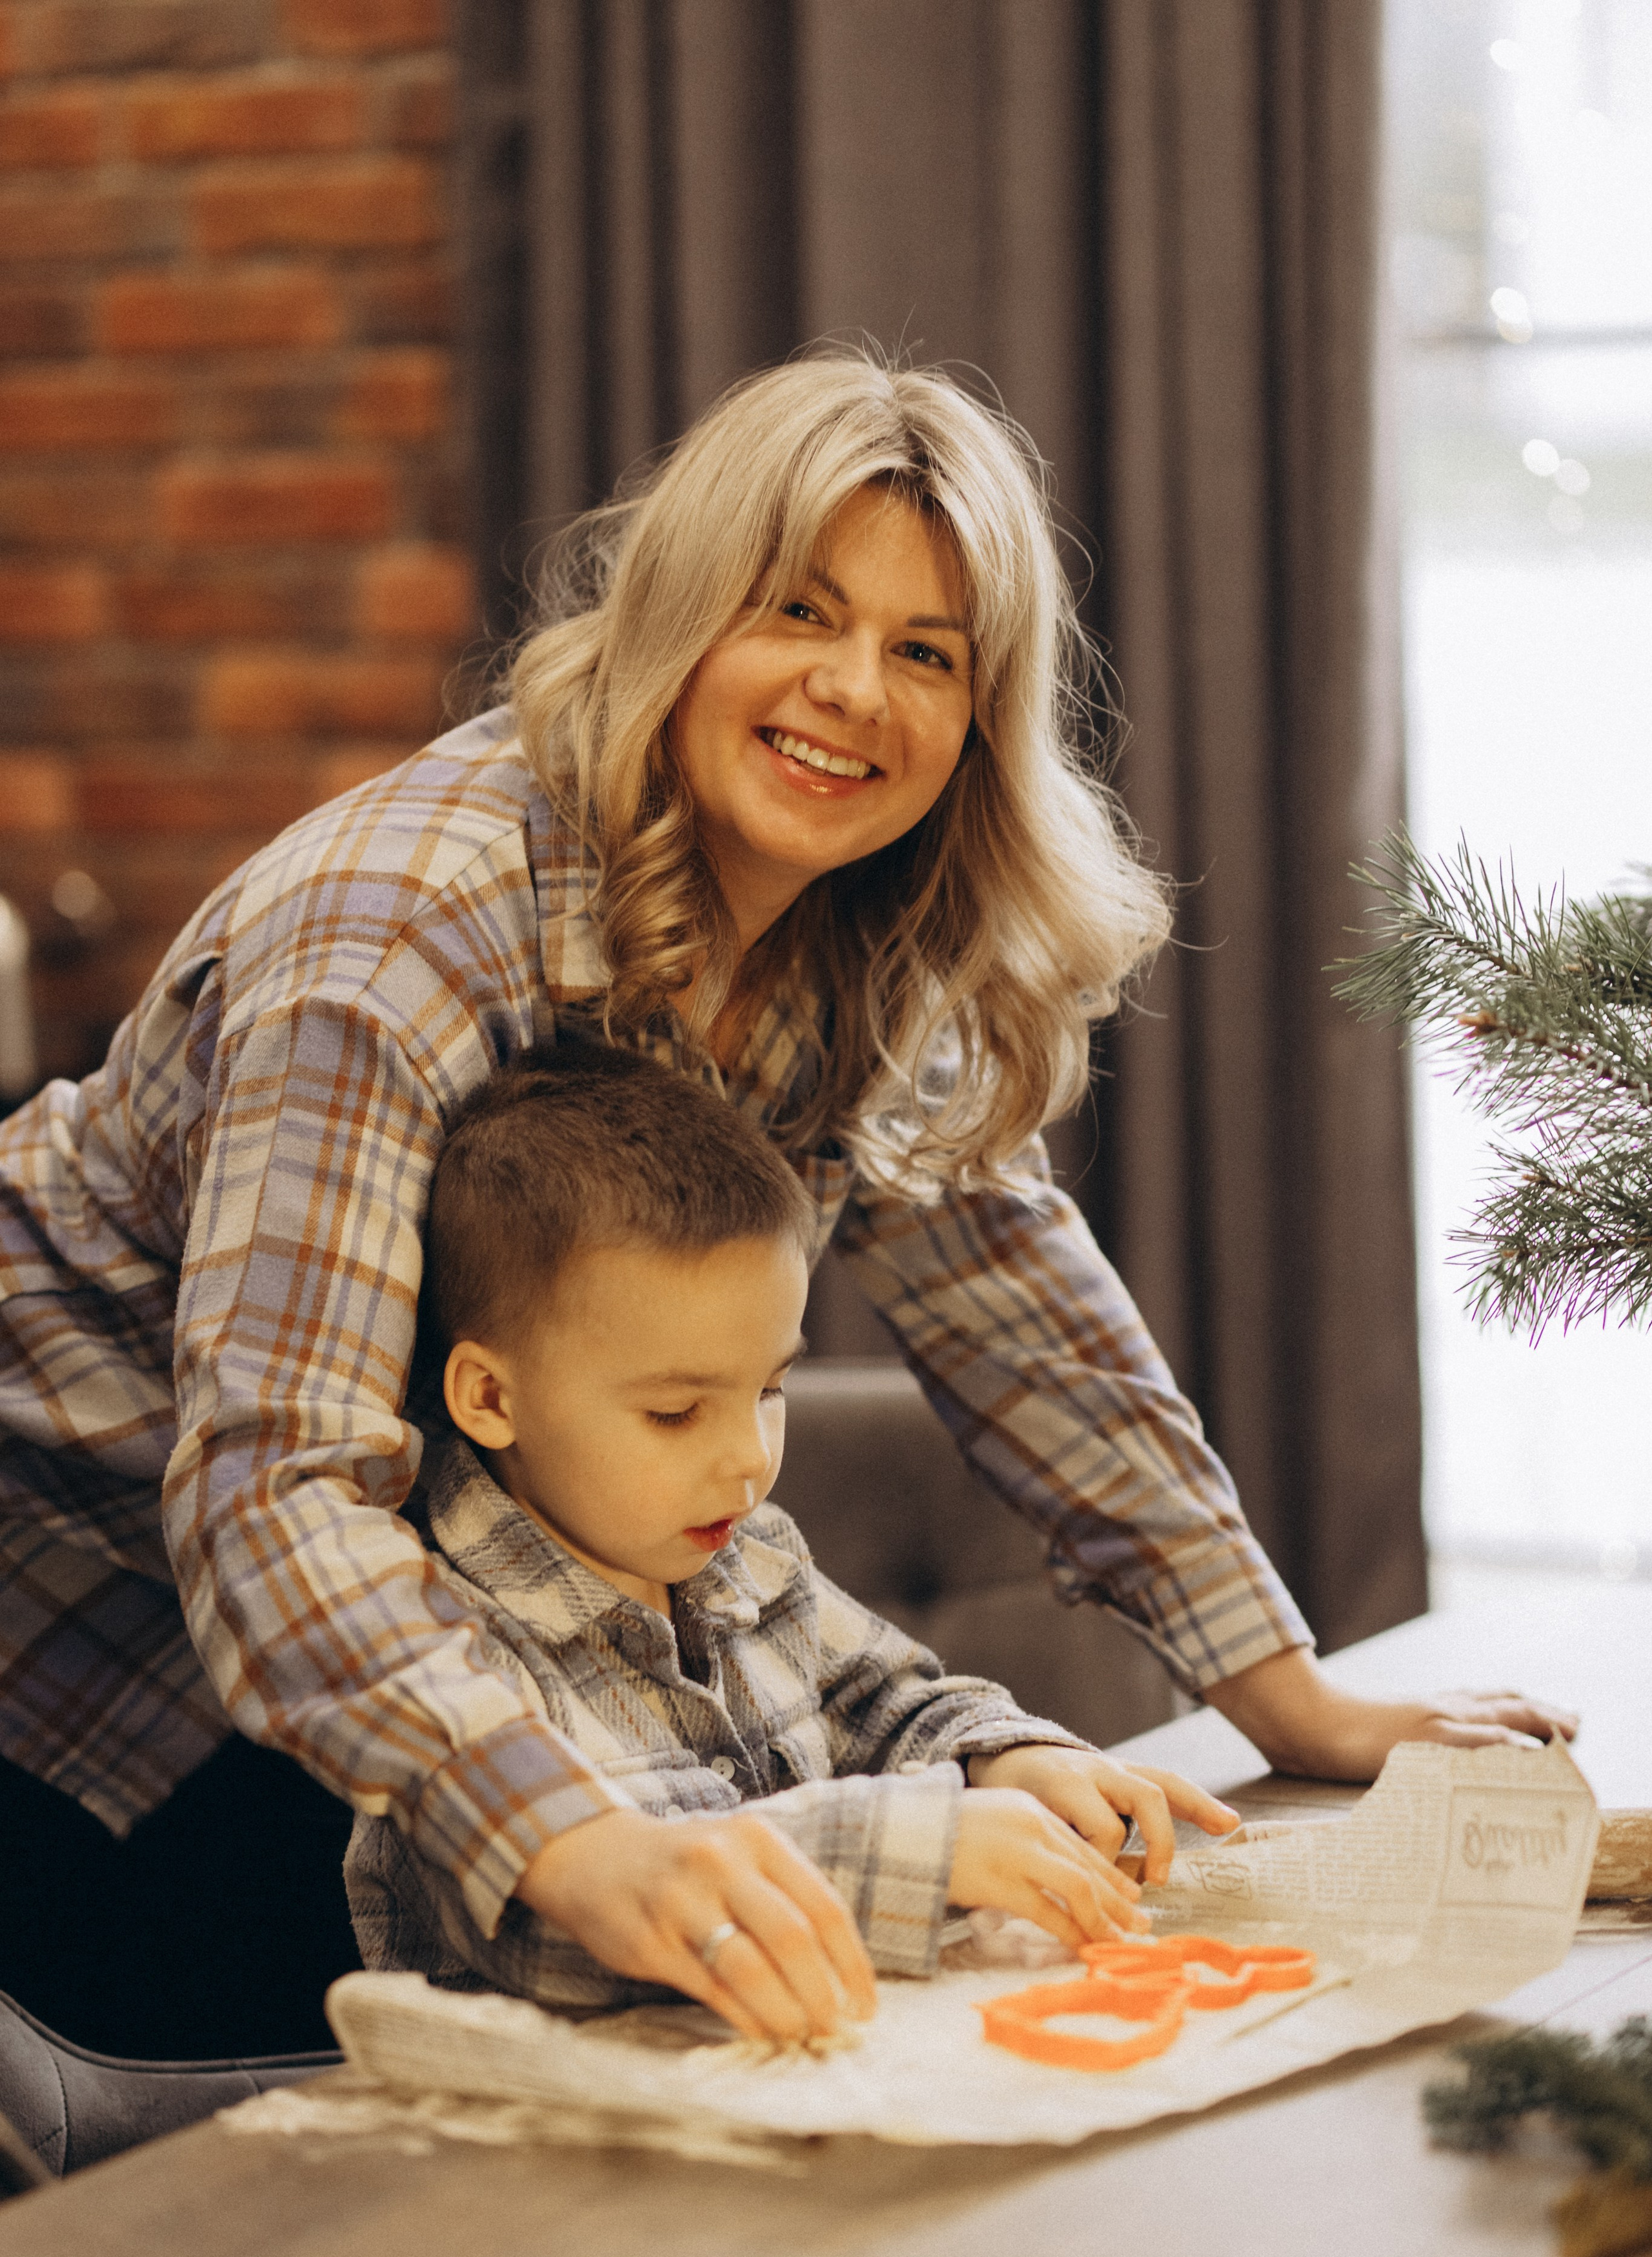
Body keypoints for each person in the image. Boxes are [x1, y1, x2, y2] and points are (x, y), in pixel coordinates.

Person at [0, 347, 1573, 2044]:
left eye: (926, 652)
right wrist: (578, 1840)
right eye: (799, 615)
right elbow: (276, 1490)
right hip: (79, 1624)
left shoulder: (854, 941)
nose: (855, 692)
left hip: (389, 1646)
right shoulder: (394, 942)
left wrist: (1293, 1699)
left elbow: (1029, 1315)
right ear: (678, 614)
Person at [348, 1041, 1243, 2036]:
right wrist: (928, 1845)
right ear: (490, 1397)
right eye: (678, 1412)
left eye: (769, 1389)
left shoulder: (746, 1552)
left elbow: (882, 1699)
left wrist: (1004, 1761)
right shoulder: (436, 1647)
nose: (747, 1459)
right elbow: (574, 1922)